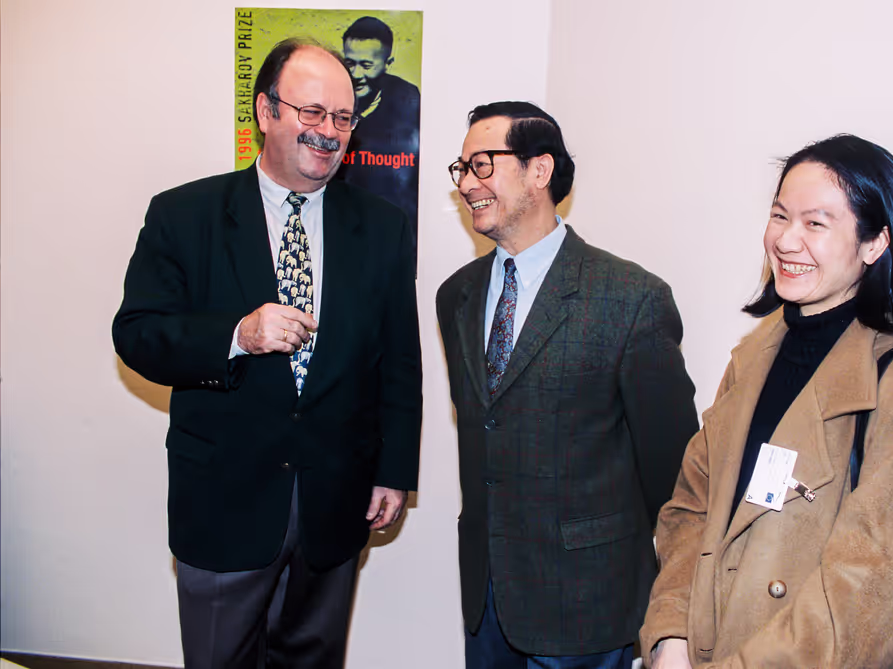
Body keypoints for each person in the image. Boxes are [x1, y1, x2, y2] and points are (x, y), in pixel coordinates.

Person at [112, 37, 421, 668]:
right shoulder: (184, 214)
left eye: (341, 117)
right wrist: (236, 336)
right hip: (225, 501)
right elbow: (137, 333)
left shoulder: (383, 225)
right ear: (265, 111)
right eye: (311, 113)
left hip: (335, 503)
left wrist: (395, 469)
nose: (329, 132)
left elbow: (399, 360)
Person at [641, 135, 893, 669]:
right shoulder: (752, 358)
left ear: (874, 243)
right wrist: (670, 636)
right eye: (779, 215)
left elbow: (865, 602)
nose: (786, 240)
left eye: (815, 223)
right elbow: (690, 509)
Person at [438, 101, 699, 669]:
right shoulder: (454, 294)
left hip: (589, 605)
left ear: (540, 170)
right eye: (460, 169)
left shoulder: (630, 298)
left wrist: (674, 608)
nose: (466, 184)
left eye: (482, 164)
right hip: (487, 602)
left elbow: (675, 470)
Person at [339, 16, 420, 256]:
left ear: (388, 63)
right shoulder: (330, 94)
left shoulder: (408, 101)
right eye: (349, 63)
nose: (355, 74)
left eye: (366, 65)